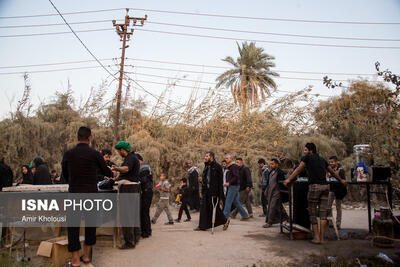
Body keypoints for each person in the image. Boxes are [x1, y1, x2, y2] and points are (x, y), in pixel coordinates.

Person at [62, 126, 114, 267]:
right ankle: (86, 256)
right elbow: (107, 172)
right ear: (89, 138)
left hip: (74, 194)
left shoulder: (69, 154)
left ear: (77, 137)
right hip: (91, 194)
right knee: (90, 225)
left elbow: (64, 175)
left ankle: (75, 260)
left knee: (73, 227)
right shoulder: (95, 154)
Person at [283, 143, 347, 244]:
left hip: (315, 187)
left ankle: (316, 238)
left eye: (305, 149)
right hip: (326, 187)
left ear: (310, 150)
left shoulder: (307, 157)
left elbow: (298, 170)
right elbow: (332, 172)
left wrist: (288, 179)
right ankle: (322, 239)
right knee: (323, 214)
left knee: (312, 213)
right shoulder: (322, 159)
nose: (304, 152)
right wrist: (341, 180)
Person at [112, 141, 141, 249]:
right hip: (134, 189)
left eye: (119, 151)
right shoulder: (133, 158)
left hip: (129, 189)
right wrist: (115, 178)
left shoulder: (130, 158)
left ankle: (129, 242)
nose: (119, 153)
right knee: (133, 214)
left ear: (122, 150)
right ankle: (136, 237)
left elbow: (126, 169)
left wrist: (116, 168)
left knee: (126, 215)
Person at [195, 151, 227, 231]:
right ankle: (202, 226)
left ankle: (225, 221)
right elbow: (207, 180)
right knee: (204, 209)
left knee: (214, 209)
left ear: (211, 157)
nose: (205, 157)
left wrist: (216, 193)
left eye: (207, 156)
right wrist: (202, 180)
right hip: (206, 191)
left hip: (214, 192)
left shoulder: (217, 167)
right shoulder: (206, 166)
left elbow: (219, 182)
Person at [223, 154, 249, 230]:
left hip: (233, 186)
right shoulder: (230, 166)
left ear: (231, 158)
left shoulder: (233, 166)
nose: (226, 159)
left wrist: (229, 183)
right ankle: (244, 215)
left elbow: (236, 176)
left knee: (228, 202)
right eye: (225, 158)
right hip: (234, 186)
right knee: (236, 202)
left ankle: (225, 219)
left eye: (227, 158)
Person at [263, 159, 288, 228]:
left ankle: (269, 222)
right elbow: (269, 183)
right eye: (270, 164)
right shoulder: (271, 172)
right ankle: (287, 218)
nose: (271, 165)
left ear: (277, 164)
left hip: (277, 192)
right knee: (279, 207)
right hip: (271, 192)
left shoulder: (280, 172)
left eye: (272, 164)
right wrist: (266, 190)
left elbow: (283, 183)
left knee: (272, 207)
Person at [136, 153, 154, 238]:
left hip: (146, 191)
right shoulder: (145, 166)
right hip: (147, 191)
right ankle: (147, 230)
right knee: (145, 212)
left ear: (139, 160)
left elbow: (143, 180)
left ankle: (146, 232)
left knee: (144, 211)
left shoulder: (144, 167)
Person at [327, 156, 347, 229]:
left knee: (338, 207)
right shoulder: (330, 169)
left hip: (338, 190)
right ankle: (330, 222)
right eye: (330, 162)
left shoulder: (341, 170)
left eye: (332, 162)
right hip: (331, 189)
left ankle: (338, 223)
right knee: (328, 206)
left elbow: (343, 180)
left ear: (336, 162)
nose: (331, 163)